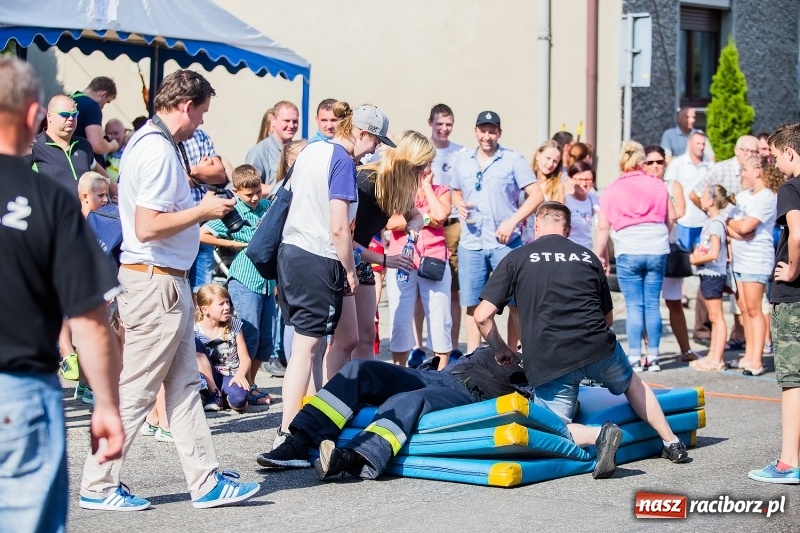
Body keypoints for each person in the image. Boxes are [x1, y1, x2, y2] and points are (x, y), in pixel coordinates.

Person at [79, 69, 260, 511]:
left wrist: (196, 187)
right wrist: (204, 209)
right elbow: (147, 225)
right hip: (155, 283)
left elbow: (152, 213)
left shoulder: (151, 142)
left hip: (161, 282)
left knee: (182, 387)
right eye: (201, 114)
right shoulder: (158, 150)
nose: (201, 123)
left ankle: (206, 481)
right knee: (137, 390)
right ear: (184, 106)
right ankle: (98, 484)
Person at [474, 201, 690, 475]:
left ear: (536, 225)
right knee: (633, 382)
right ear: (568, 229)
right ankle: (671, 441)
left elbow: (482, 316)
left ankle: (599, 435)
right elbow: (607, 318)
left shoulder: (517, 257)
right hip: (598, 347)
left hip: (550, 359)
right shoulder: (588, 257)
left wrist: (501, 348)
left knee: (549, 426)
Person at [0, 56, 124, 532]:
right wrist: (107, 406)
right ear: (34, 117)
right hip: (20, 392)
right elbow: (91, 316)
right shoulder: (50, 201)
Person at [257, 349, 626, 481]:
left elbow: (557, 415)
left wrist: (598, 434)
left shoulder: (545, 376)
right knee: (359, 369)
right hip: (436, 372)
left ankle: (355, 458)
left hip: (463, 395)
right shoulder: (504, 342)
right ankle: (298, 440)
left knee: (410, 401)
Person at [273, 102, 394, 456]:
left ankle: (294, 427)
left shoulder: (310, 151)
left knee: (306, 346)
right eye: (375, 141)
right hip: (317, 256)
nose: (374, 150)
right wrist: (350, 269)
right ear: (361, 132)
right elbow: (339, 226)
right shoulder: (341, 160)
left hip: (291, 251)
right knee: (307, 348)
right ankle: (290, 432)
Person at [451, 111, 543, 354]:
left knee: (515, 303)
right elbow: (455, 190)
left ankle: (517, 354)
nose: (487, 136)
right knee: (472, 303)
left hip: (505, 243)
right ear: (475, 131)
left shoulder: (513, 160)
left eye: (492, 131)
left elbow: (537, 195)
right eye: (483, 130)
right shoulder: (463, 160)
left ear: (499, 133)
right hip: (472, 242)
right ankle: (473, 355)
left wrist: (512, 221)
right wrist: (457, 201)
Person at [748, 122, 800, 484]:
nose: (776, 163)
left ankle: (787, 463)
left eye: (777, 155)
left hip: (794, 297)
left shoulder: (791, 187)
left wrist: (793, 270)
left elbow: (798, 232)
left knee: (793, 381)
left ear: (791, 153)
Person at [199, 164, 275, 405]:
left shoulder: (266, 206)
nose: (254, 198)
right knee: (249, 336)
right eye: (248, 194)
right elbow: (203, 233)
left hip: (266, 281)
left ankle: (249, 383)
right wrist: (231, 245)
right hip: (245, 279)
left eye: (257, 191)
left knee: (266, 342)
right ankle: (247, 386)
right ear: (235, 191)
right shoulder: (233, 211)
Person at [595, 141, 674, 372]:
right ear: (642, 162)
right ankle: (655, 356)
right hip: (656, 246)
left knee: (634, 305)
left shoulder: (612, 189)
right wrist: (660, 238)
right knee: (652, 304)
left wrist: (600, 255)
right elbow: (671, 218)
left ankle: (636, 356)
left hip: (628, 247)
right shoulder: (657, 185)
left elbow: (603, 227)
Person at [385, 133, 453, 368]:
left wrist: (426, 187)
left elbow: (442, 215)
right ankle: (399, 371)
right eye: (421, 164)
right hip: (402, 259)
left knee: (440, 317)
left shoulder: (441, 189)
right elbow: (391, 222)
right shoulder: (398, 191)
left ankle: (440, 373)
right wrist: (425, 217)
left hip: (434, 260)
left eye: (428, 164)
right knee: (400, 317)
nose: (425, 168)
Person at [643, 145, 698, 362]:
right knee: (649, 303)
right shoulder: (640, 185)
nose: (655, 166)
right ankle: (648, 352)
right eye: (650, 162)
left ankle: (685, 349)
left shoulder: (672, 185)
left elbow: (681, 210)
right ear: (643, 164)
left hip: (670, 248)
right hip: (648, 248)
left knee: (674, 302)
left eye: (659, 162)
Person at [727, 156, 779, 376]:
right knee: (745, 309)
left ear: (758, 171)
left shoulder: (767, 197)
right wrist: (736, 229)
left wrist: (736, 228)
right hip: (739, 258)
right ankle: (748, 355)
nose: (742, 174)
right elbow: (729, 226)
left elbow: (748, 226)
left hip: (756, 258)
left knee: (755, 309)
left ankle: (757, 360)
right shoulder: (741, 196)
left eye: (745, 170)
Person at [263, 140, 310, 379]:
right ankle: (293, 369)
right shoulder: (282, 189)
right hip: (289, 258)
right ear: (292, 162)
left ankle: (299, 370)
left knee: (300, 319)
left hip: (300, 258)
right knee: (293, 319)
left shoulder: (305, 185)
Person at [663, 130, 713, 345]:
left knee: (705, 267)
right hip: (683, 222)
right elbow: (670, 188)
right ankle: (680, 295)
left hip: (702, 223)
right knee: (680, 266)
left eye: (704, 143)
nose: (701, 147)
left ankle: (702, 320)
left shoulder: (709, 166)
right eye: (698, 143)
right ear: (690, 144)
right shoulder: (678, 164)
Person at [429, 103, 466, 357]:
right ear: (430, 122)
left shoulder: (460, 153)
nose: (444, 129)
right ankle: (421, 346)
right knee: (423, 288)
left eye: (448, 124)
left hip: (451, 222)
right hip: (426, 219)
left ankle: (452, 346)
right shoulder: (425, 149)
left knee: (453, 285)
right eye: (440, 123)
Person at [688, 185, 735, 372]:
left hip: (714, 273)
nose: (701, 197)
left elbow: (715, 253)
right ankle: (712, 355)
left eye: (706, 195)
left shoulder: (716, 223)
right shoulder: (711, 221)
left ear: (712, 200)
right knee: (713, 317)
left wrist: (694, 258)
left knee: (716, 317)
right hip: (708, 274)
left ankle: (718, 358)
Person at [194, 284, 253, 412]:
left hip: (230, 376)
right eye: (221, 304)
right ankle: (214, 394)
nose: (227, 307)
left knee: (239, 401)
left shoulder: (234, 325)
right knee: (194, 342)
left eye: (227, 302)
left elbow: (245, 358)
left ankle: (222, 399)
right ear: (205, 310)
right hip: (207, 378)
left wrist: (241, 375)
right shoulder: (195, 331)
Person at [184, 128, 229, 293]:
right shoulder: (163, 139)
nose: (202, 120)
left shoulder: (200, 136)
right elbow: (174, 183)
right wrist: (201, 173)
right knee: (181, 288)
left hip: (203, 222)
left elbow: (219, 174)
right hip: (179, 223)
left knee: (202, 290)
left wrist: (192, 171)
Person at [28, 94, 100, 196]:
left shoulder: (84, 146)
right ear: (49, 116)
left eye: (74, 114)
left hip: (84, 212)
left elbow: (97, 170)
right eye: (65, 114)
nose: (71, 118)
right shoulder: (34, 146)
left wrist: (115, 192)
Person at [246, 100, 299, 193]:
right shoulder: (258, 152)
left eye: (295, 121)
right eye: (286, 121)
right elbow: (248, 187)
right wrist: (284, 189)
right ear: (273, 120)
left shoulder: (298, 150)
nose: (291, 125)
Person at [71, 76, 120, 159]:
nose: (103, 107)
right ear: (103, 94)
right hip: (82, 162)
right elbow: (96, 145)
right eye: (106, 102)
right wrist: (112, 146)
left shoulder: (68, 99)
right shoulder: (92, 107)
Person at [564, 161, 597, 249]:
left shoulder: (594, 200)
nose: (583, 183)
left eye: (588, 180)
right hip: (571, 252)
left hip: (589, 252)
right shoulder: (565, 201)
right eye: (579, 179)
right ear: (570, 179)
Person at [103, 117, 128, 183]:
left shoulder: (130, 152)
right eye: (109, 134)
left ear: (124, 132)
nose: (113, 137)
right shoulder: (103, 152)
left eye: (116, 133)